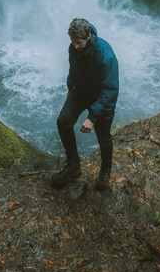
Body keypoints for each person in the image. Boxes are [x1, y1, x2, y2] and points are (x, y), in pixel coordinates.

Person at [51, 18, 119, 191]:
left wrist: (92, 117)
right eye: (73, 42)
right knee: (63, 121)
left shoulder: (104, 53)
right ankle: (73, 165)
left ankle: (105, 171)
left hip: (103, 97)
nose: (75, 46)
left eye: (79, 43)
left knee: (103, 137)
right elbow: (73, 69)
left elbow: (110, 89)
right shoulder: (73, 48)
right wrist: (70, 87)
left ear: (89, 36)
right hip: (82, 89)